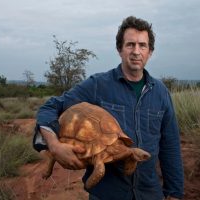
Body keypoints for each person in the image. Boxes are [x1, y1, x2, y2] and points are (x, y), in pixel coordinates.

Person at [33, 16, 184, 200]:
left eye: (142, 45)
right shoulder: (98, 85)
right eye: (130, 44)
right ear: (119, 49)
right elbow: (51, 107)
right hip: (107, 194)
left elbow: (170, 147)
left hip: (149, 193)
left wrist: (174, 193)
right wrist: (54, 146)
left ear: (150, 51)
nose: (136, 51)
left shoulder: (161, 93)